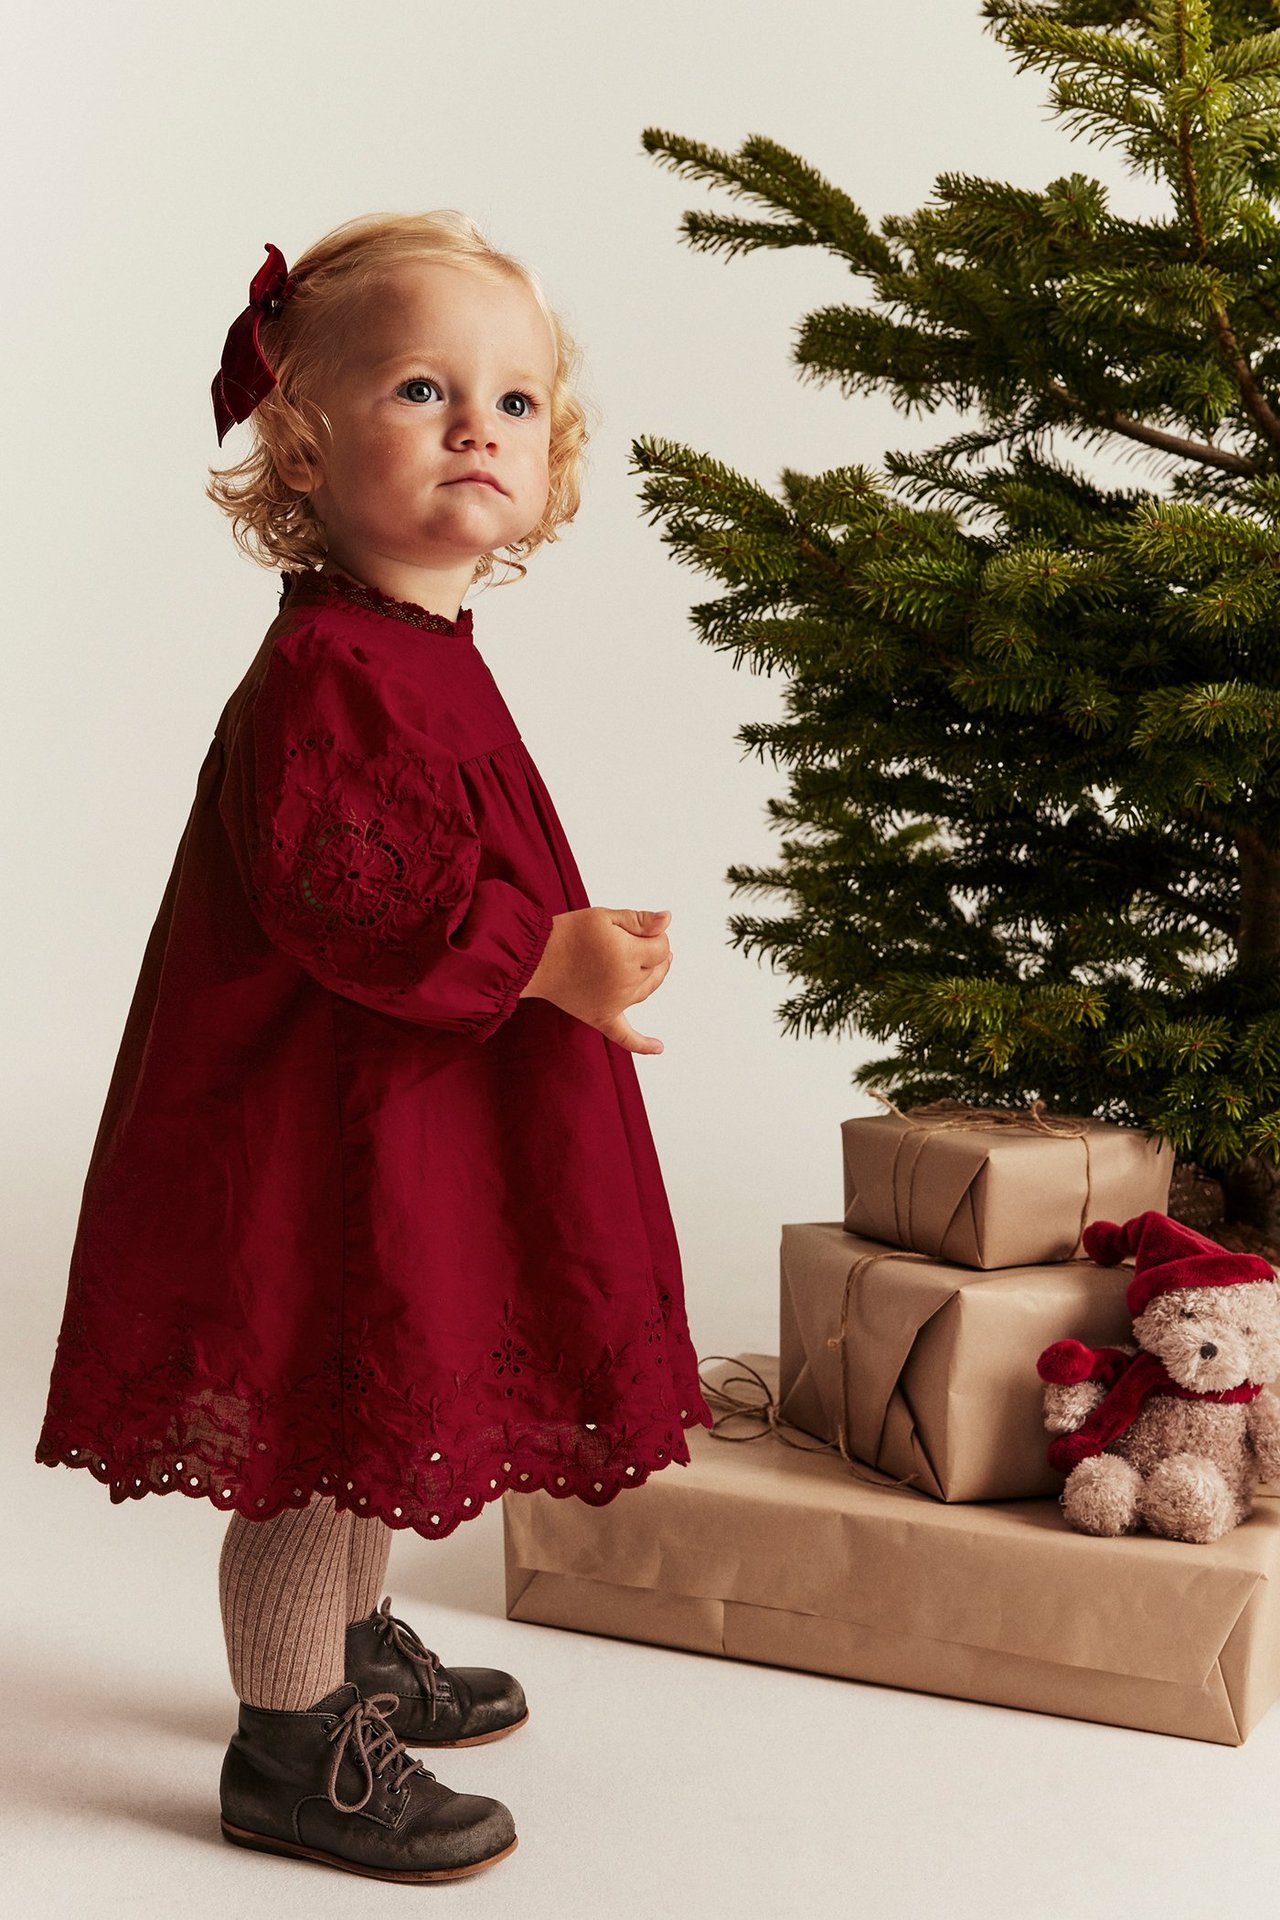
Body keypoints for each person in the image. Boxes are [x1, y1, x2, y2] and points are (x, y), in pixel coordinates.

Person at [33, 210, 714, 1884]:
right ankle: (288, 1745)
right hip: (315, 1125)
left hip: (404, 1105)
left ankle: (348, 1663)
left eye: (516, 401)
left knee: (381, 1386)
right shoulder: (336, 667)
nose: (479, 424)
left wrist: (559, 951)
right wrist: (537, 954)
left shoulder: (420, 648)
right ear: (305, 442)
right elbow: (353, 902)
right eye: (424, 388)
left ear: (551, 464)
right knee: (321, 1418)